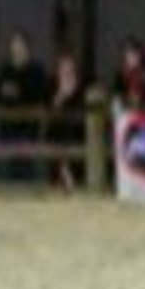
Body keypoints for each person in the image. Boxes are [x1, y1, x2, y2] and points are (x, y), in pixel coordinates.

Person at [46, 54, 85, 192]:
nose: (66, 72)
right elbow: (49, 107)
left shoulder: (81, 87)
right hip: (56, 133)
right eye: (63, 69)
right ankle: (60, 177)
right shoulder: (51, 84)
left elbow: (85, 111)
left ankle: (71, 178)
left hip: (76, 134)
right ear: (58, 71)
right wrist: (61, 94)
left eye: (70, 69)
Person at [112, 37, 145, 109]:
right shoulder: (120, 73)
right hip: (127, 108)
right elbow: (117, 93)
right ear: (125, 56)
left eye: (136, 54)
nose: (133, 57)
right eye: (129, 54)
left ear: (141, 54)